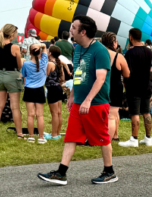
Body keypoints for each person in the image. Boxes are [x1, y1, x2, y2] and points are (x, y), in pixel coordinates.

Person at [37, 16, 116, 185]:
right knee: (71, 137)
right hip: (79, 102)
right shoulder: (78, 49)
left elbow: (101, 78)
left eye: (74, 27)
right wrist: (72, 96)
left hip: (96, 103)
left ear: (83, 32)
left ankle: (109, 171)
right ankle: (61, 173)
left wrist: (88, 100)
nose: (70, 30)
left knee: (102, 138)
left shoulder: (100, 51)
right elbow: (79, 74)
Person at [119, 28, 152, 148]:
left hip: (134, 86)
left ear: (130, 37)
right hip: (146, 85)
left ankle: (134, 139)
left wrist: (125, 83)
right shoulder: (149, 52)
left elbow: (127, 72)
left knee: (135, 112)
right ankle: (148, 138)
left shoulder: (130, 53)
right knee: (146, 112)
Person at [0, 24, 25, 139]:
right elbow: (19, 65)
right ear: (11, 35)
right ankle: (19, 133)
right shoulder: (14, 47)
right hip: (12, 75)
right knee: (15, 107)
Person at [102, 32, 130, 141]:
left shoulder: (98, 54)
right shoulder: (119, 57)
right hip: (115, 87)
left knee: (102, 114)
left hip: (101, 86)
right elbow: (127, 74)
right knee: (112, 115)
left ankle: (114, 135)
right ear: (114, 43)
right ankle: (108, 139)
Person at [21, 41, 48, 143]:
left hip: (29, 90)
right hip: (39, 89)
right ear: (39, 52)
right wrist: (40, 46)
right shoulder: (44, 62)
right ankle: (41, 137)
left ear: (30, 52)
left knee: (30, 115)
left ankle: (31, 136)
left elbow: (23, 75)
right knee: (40, 115)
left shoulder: (26, 64)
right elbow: (45, 47)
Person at [45, 45, 68, 139]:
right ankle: (57, 133)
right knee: (59, 113)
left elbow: (44, 77)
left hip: (52, 90)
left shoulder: (50, 64)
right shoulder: (59, 64)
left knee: (54, 113)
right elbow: (62, 78)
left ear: (50, 53)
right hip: (58, 88)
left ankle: (53, 134)